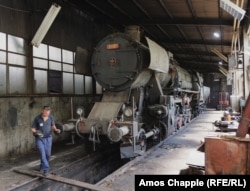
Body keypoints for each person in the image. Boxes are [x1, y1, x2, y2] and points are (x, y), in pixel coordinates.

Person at [31, 105, 61, 176]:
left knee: (47, 154)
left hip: (48, 138)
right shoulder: (37, 118)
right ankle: (46, 169)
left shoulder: (51, 117)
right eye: (46, 112)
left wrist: (56, 130)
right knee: (42, 152)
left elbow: (53, 126)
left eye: (48, 112)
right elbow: (33, 128)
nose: (47, 114)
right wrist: (35, 132)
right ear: (42, 111)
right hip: (40, 139)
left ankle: (42, 167)